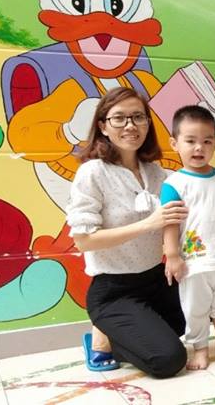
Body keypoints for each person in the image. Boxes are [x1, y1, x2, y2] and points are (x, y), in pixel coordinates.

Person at [66, 87, 188, 378]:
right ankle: (104, 337)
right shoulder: (93, 172)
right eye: (119, 118)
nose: (130, 126)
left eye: (138, 117)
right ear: (103, 126)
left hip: (157, 280)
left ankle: (128, 331)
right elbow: (83, 241)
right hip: (114, 290)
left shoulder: (158, 173)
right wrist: (148, 224)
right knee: (168, 360)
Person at [160, 106, 215, 370]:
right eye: (190, 141)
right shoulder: (174, 184)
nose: (199, 148)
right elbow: (170, 223)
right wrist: (172, 256)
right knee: (195, 309)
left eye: (207, 141)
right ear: (175, 144)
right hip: (194, 262)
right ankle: (200, 349)